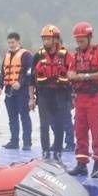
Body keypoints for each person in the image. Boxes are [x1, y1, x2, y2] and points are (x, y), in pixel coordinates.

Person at [67, 21, 98, 178]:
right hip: (80, 98)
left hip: (95, 97)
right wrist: (72, 76)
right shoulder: (75, 55)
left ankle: (97, 165)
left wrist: (85, 76)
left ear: (89, 37)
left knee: (97, 130)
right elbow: (70, 73)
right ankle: (81, 164)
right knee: (79, 131)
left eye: (82, 41)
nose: (79, 43)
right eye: (77, 41)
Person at [28, 25, 73, 161]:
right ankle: (45, 153)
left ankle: (58, 153)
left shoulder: (66, 56)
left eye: (48, 39)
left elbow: (73, 78)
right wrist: (31, 98)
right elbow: (31, 80)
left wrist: (73, 98)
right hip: (44, 94)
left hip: (61, 94)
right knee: (44, 125)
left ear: (56, 39)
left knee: (59, 125)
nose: (46, 42)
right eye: (44, 39)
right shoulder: (38, 56)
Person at [0, 32, 34, 150]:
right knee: (12, 118)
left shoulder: (26, 55)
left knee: (24, 116)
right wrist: (0, 86)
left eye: (13, 42)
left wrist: (20, 82)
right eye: (9, 43)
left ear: (18, 42)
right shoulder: (7, 55)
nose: (11, 45)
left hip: (22, 92)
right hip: (9, 91)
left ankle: (27, 143)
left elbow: (30, 72)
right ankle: (14, 142)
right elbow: (3, 72)